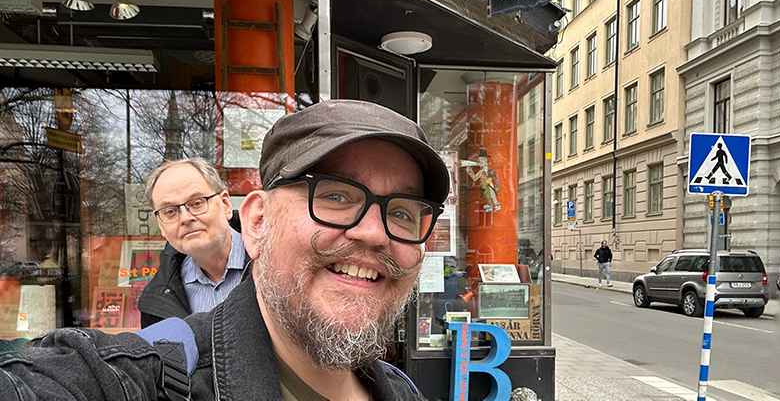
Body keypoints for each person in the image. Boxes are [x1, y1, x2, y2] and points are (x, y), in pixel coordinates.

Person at [0, 100, 450, 401]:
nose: (374, 233)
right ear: (257, 224)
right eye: (334, 195)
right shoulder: (149, 374)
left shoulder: (401, 390)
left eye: (403, 212)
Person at [138, 157, 248, 327]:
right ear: (160, 225)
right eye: (170, 211)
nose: (185, 218)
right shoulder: (156, 303)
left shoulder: (277, 263)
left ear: (225, 204)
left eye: (197, 203)